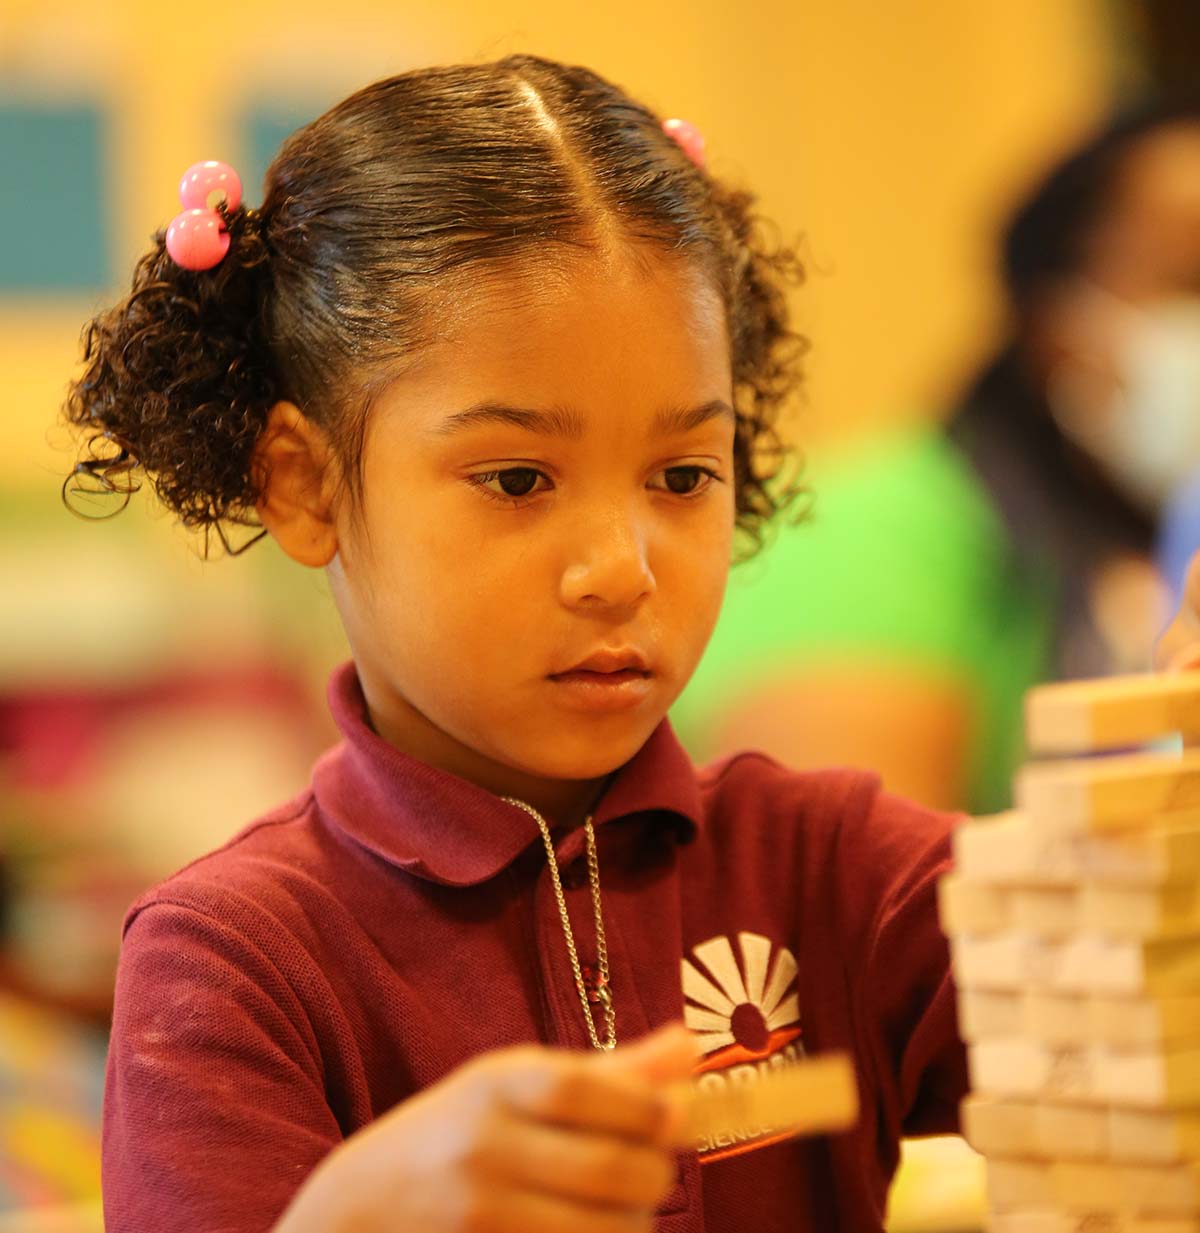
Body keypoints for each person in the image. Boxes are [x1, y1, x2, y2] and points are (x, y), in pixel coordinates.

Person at [71, 58, 973, 1233]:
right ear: (304, 485)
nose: (621, 569)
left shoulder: (836, 871)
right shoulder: (234, 964)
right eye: (516, 479)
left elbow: (1142, 1020)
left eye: (682, 476)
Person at [670, 101, 1200, 816]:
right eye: (1192, 280)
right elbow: (838, 882)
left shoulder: (1147, 539)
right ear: (1060, 331)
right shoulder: (868, 538)